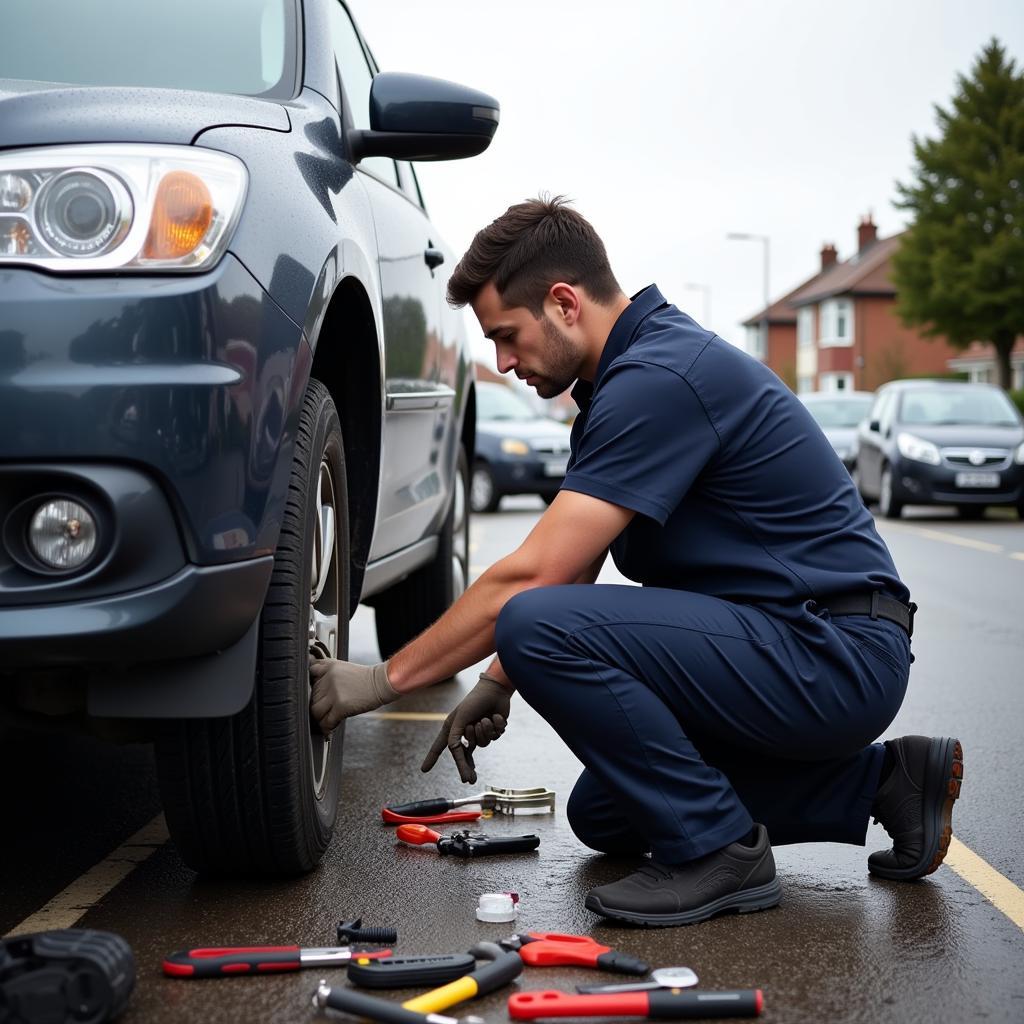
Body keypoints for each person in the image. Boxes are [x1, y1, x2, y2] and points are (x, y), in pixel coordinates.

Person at [309, 196, 963, 926]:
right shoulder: (626, 381)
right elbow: (575, 564)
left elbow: (534, 581)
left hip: (832, 653)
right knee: (608, 812)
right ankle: (885, 784)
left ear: (563, 303)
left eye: (506, 336)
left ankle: (721, 855)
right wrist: (499, 679)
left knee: (534, 622)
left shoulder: (660, 378)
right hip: (798, 642)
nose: (501, 362)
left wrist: (375, 681)